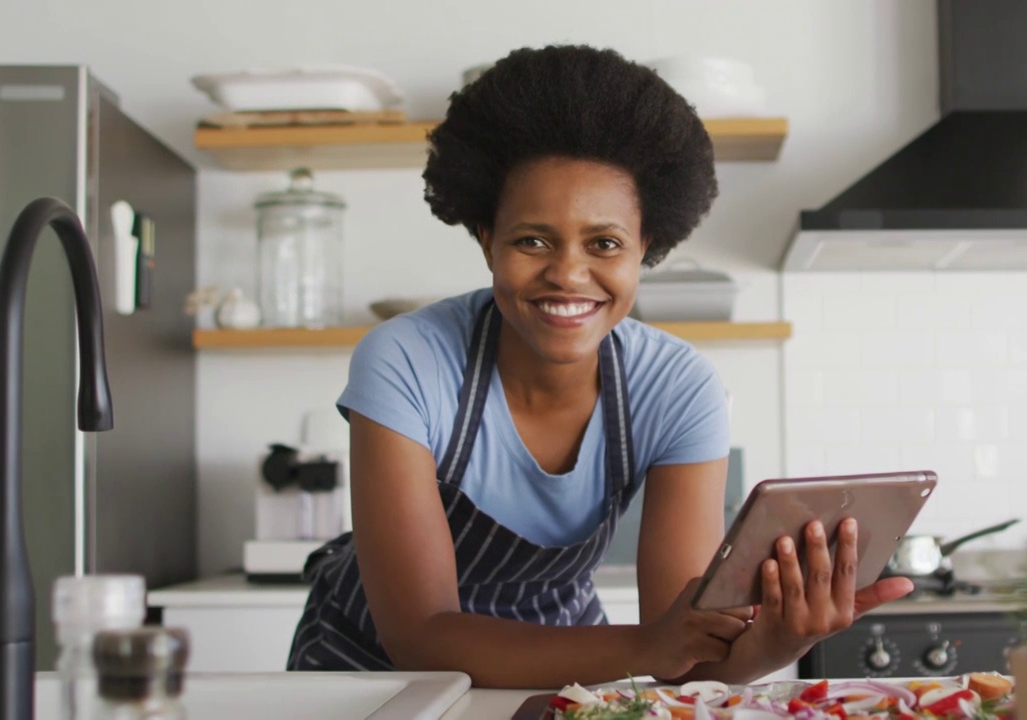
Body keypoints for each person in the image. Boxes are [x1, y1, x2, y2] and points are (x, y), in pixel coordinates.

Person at [286, 44, 912, 688]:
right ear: (485, 239)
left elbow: (689, 655)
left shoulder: (675, 388)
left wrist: (778, 640)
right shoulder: (406, 362)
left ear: (647, 247)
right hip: (368, 675)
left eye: (605, 244)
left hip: (567, 666)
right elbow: (422, 635)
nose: (567, 273)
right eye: (533, 240)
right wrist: (649, 648)